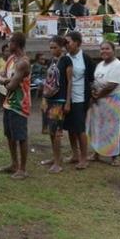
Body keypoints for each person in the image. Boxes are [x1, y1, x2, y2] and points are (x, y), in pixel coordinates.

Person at [0, 32, 31, 179]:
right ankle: (14, 164)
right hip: (8, 103)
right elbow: (0, 75)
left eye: (10, 42)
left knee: (20, 136)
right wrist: (5, 80)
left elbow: (11, 85)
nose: (8, 44)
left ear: (16, 44)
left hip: (19, 104)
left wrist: (5, 80)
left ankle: (22, 169)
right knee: (10, 135)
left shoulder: (23, 62)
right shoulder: (11, 59)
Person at [88, 40, 120, 166]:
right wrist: (93, 92)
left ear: (113, 50)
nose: (104, 51)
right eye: (102, 49)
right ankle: (97, 152)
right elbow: (95, 81)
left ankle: (114, 156)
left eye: (107, 48)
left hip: (111, 101)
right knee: (97, 127)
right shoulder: (100, 65)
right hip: (98, 100)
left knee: (112, 128)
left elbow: (112, 85)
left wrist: (97, 95)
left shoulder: (117, 65)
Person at [64, 31, 95, 169]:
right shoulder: (65, 57)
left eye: (68, 42)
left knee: (80, 128)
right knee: (70, 127)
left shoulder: (85, 59)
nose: (66, 45)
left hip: (80, 98)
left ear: (77, 42)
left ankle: (84, 157)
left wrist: (92, 97)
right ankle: (74, 154)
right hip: (67, 98)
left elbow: (92, 79)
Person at [40, 36, 70, 172]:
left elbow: (70, 82)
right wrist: (44, 98)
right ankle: (54, 157)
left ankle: (58, 162)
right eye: (51, 47)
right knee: (51, 130)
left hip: (60, 100)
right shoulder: (52, 61)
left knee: (57, 131)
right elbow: (48, 80)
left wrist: (68, 101)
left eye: (55, 47)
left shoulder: (66, 61)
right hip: (49, 98)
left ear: (61, 47)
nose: (52, 50)